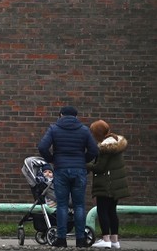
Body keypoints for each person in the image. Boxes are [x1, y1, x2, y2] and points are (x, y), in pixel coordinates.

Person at [38, 106, 99, 248]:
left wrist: (52, 159)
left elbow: (42, 147)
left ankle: (61, 239)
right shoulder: (84, 130)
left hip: (61, 170)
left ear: (60, 115)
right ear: (76, 117)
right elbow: (94, 150)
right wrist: (83, 160)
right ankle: (81, 240)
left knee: (62, 205)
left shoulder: (54, 129)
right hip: (79, 171)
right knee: (79, 205)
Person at [86, 120, 129, 249]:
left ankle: (106, 239)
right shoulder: (115, 142)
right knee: (112, 211)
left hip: (107, 184)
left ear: (97, 133)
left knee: (102, 210)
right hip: (116, 184)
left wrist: (85, 165)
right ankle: (115, 240)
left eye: (93, 133)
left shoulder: (105, 147)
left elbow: (100, 167)